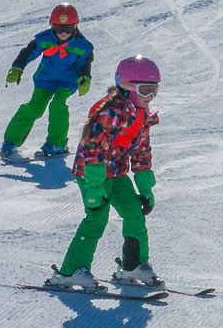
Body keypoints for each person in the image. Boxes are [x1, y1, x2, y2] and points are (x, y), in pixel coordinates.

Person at [43, 57, 162, 292]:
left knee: (134, 213)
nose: (149, 97)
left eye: (154, 91)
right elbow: (93, 149)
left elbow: (141, 150)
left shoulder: (142, 114)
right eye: (145, 90)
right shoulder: (110, 112)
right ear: (126, 86)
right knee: (97, 218)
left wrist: (145, 187)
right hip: (92, 173)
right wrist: (95, 186)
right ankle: (72, 271)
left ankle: (133, 265)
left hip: (116, 173)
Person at [0, 3, 95, 161]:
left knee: (58, 105)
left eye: (68, 29)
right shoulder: (44, 39)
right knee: (33, 109)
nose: (63, 33)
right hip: (44, 80)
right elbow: (27, 53)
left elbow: (85, 64)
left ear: (75, 26)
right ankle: (11, 141)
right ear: (51, 25)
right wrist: (17, 68)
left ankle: (57, 143)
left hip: (66, 83)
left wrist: (84, 79)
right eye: (58, 28)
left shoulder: (82, 46)